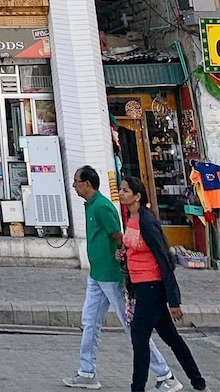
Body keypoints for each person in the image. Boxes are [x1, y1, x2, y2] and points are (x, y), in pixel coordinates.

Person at [63, 166, 179, 391]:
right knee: (90, 322)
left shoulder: (102, 207)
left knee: (132, 326)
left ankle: (165, 374)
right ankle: (87, 372)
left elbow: (119, 237)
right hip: (97, 274)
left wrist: (124, 263)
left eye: (76, 181)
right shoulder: (91, 205)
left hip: (110, 275)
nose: (74, 186)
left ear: (88, 184)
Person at [120, 175, 208, 392]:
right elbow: (135, 247)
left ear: (137, 196)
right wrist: (123, 255)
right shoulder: (130, 218)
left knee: (139, 337)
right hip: (141, 286)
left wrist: (174, 300)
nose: (121, 193)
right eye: (121, 190)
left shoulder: (146, 221)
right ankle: (199, 383)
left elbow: (164, 258)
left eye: (126, 191)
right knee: (171, 338)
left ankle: (137, 388)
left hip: (152, 286)